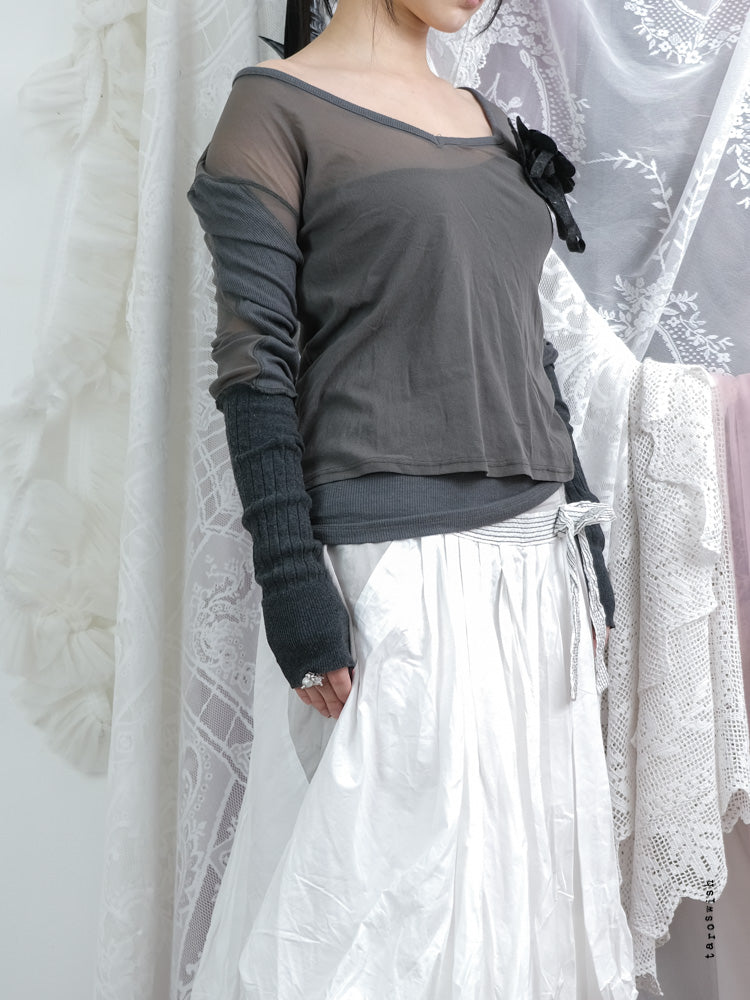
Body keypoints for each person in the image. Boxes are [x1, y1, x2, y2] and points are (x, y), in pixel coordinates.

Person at [186, 0, 638, 996]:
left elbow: (526, 349)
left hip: (535, 571)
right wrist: (292, 583)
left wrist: (587, 543)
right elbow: (255, 367)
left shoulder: (488, 119)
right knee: (379, 923)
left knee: (524, 914)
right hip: (394, 573)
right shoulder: (274, 110)